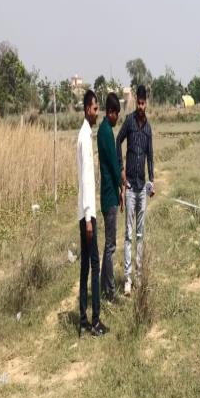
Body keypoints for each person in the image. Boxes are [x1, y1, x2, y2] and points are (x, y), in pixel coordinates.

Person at [116, 84, 155, 296]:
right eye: (138, 103)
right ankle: (127, 279)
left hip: (142, 189)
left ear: (146, 103)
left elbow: (150, 158)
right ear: (136, 103)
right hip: (130, 187)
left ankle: (138, 278)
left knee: (140, 234)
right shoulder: (129, 121)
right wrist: (121, 170)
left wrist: (152, 181)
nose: (141, 106)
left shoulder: (148, 129)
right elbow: (118, 141)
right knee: (129, 235)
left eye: (143, 103)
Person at [77, 89, 108, 337]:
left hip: (83, 211)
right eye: (96, 108)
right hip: (87, 214)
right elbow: (87, 179)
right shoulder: (85, 138)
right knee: (94, 265)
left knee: (85, 266)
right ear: (88, 109)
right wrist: (89, 218)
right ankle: (95, 320)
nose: (98, 113)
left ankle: (83, 318)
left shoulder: (83, 134)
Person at [97, 92, 123, 301]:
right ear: (111, 112)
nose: (118, 119)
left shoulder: (104, 130)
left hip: (108, 193)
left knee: (108, 244)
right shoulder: (106, 132)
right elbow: (114, 166)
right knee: (110, 246)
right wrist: (122, 186)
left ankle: (103, 287)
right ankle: (110, 291)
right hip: (109, 195)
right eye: (117, 114)